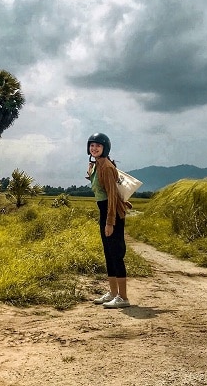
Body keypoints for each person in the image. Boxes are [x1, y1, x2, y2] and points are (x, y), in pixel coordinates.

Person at [86, 132, 131, 308]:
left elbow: (112, 195)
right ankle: (113, 293)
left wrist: (110, 221)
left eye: (98, 145)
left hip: (111, 213)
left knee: (116, 254)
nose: (94, 148)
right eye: (92, 145)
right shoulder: (97, 165)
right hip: (103, 211)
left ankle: (124, 297)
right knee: (108, 253)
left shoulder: (106, 167)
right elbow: (101, 188)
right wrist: (90, 172)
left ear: (105, 148)